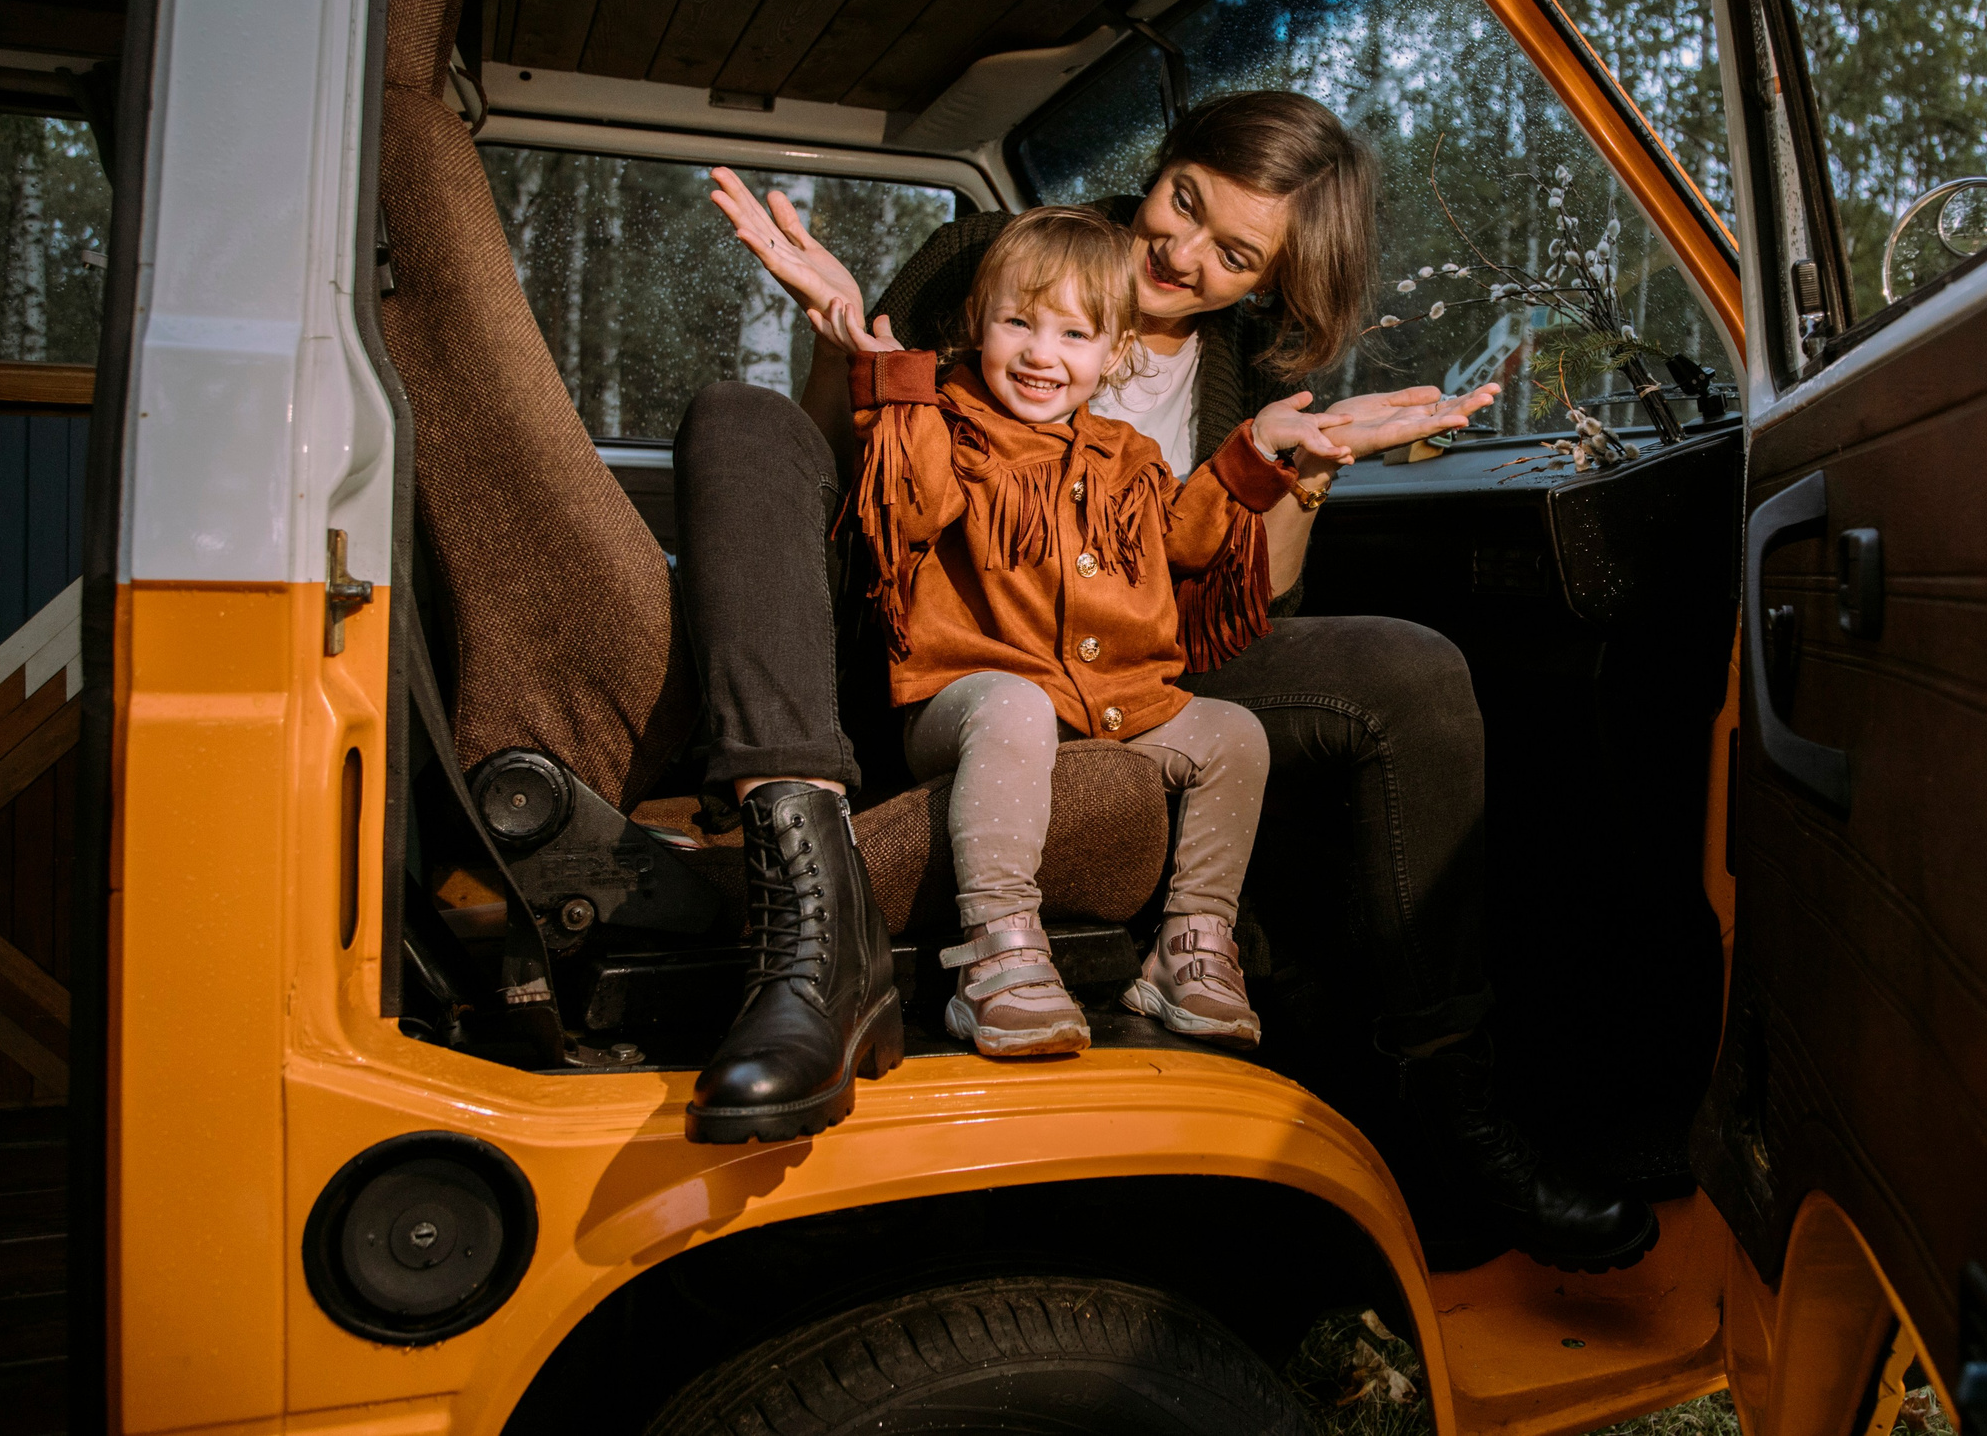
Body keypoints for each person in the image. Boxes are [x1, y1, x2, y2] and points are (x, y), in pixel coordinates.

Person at [686, 91, 1657, 1271]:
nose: (1181, 253)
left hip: (1140, 666)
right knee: (747, 421)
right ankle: (807, 918)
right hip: (957, 647)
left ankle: (1447, 1105)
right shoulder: (998, 256)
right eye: (1183, 201)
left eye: (1233, 254)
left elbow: (1252, 603)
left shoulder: (1244, 365)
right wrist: (859, 356)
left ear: (1269, 284)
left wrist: (1305, 468)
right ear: (1163, 168)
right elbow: (858, 503)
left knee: (1412, 666)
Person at [842, 205, 1349, 1056]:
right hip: (965, 704)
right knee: (1015, 708)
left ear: (1114, 354)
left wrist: (1253, 450)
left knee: (1233, 733)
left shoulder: (1129, 456)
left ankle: (1192, 943)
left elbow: (1191, 537)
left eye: (1075, 334)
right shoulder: (951, 428)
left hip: (1110, 702)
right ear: (978, 325)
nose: (1043, 354)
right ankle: (998, 951)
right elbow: (915, 501)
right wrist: (895, 386)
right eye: (1018, 323)